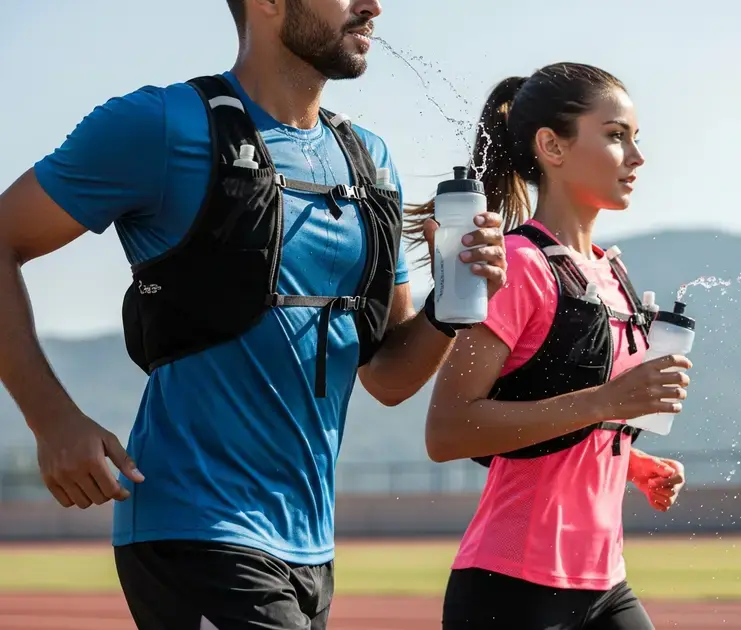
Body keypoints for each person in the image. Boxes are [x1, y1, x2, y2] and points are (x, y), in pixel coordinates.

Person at [0, 1, 507, 628]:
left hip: (309, 548)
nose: (374, 5)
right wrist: (52, 419)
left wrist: (452, 304)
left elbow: (389, 378)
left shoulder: (369, 159)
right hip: (194, 529)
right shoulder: (161, 124)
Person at [406, 62, 691, 629]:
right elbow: (448, 431)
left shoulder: (613, 274)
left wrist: (629, 460)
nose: (636, 157)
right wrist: (609, 403)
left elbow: (557, 408)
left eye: (636, 138)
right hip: (512, 589)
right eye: (615, 136)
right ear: (551, 147)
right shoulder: (517, 264)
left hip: (606, 582)